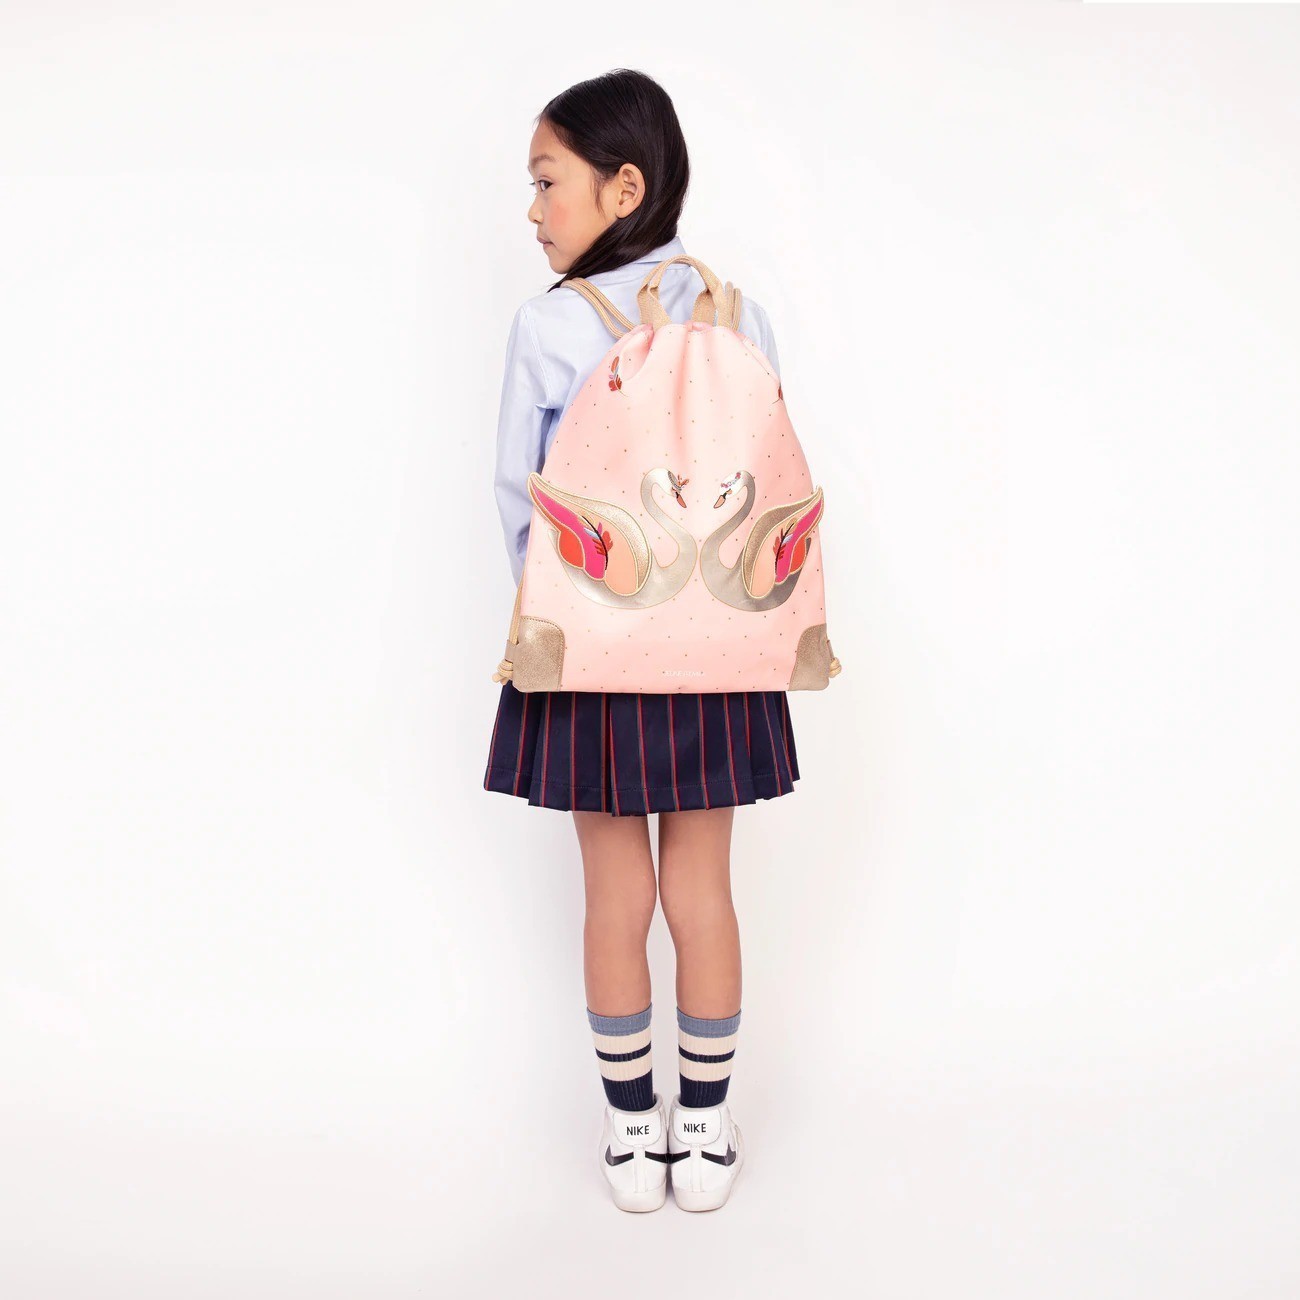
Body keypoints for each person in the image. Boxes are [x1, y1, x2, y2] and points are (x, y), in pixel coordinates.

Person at [482, 69, 800, 1213]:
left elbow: (517, 501)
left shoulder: (547, 325)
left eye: (546, 181)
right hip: (718, 650)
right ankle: (702, 1133)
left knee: (612, 894)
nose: (532, 208)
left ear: (624, 186)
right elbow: (767, 474)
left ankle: (630, 1134)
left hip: (593, 656)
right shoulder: (736, 312)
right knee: (702, 889)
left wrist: (567, 622)